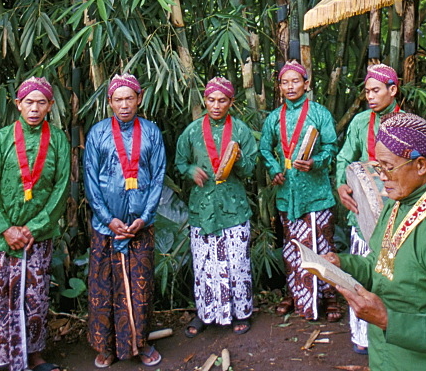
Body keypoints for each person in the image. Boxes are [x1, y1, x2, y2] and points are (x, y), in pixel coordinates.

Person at [328, 112, 426, 371]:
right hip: (387, 355)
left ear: (420, 165)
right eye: (379, 167)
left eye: (388, 167)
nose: (381, 177)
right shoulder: (397, 205)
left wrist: (387, 320)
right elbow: (380, 264)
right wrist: (342, 264)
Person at [0, 77, 70, 371]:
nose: (35, 109)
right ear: (18, 105)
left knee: (34, 296)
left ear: (51, 106)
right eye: (29, 102)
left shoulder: (58, 140)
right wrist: (5, 227)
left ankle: (34, 354)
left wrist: (33, 228)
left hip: (36, 236)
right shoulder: (1, 139)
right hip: (1, 236)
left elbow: (61, 188)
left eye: (42, 102)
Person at [84, 74, 166, 369]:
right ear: (109, 102)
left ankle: (139, 343)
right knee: (103, 287)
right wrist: (108, 218)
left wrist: (145, 217)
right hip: (107, 226)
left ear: (139, 99)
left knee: (140, 288)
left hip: (140, 226)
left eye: (129, 98)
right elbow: (91, 180)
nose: (124, 105)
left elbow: (158, 177)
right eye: (117, 99)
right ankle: (105, 346)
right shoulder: (97, 133)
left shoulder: (152, 132)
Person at [175, 77, 258, 337]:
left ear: (231, 102)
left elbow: (249, 170)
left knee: (236, 263)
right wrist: (190, 171)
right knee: (204, 264)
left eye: (222, 100)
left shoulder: (241, 130)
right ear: (205, 100)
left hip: (232, 205)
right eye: (211, 100)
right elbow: (179, 163)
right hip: (203, 207)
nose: (216, 105)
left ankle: (240, 312)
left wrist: (239, 160)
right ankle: (206, 313)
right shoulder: (192, 131)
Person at [259, 60, 340, 321]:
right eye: (285, 82)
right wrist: (274, 169)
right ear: (280, 87)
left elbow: (331, 147)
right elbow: (264, 149)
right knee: (292, 247)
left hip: (316, 191)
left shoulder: (319, 113)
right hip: (287, 192)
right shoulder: (274, 117)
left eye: (296, 81)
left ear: (307, 84)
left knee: (322, 245)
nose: (290, 86)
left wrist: (315, 162)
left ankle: (328, 296)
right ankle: (296, 293)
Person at [335, 63, 400, 354]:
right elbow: (344, 157)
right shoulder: (361, 122)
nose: (370, 97)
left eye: (376, 91)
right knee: (362, 272)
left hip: (397, 214)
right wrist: (341, 186)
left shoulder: (407, 124)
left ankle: (394, 332)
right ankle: (361, 337)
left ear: (393, 90)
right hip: (361, 213)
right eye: (367, 91)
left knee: (392, 275)